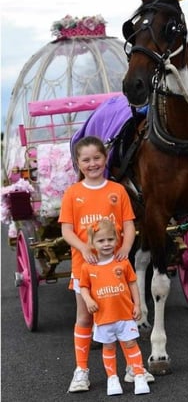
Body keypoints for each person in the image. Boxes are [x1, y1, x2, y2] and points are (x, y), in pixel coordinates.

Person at [59, 135, 152, 393]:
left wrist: (125, 247)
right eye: (86, 160)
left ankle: (134, 368)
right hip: (86, 266)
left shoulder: (117, 190)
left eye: (97, 158)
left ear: (105, 158)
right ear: (78, 163)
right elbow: (67, 231)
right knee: (85, 316)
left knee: (124, 314)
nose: (92, 164)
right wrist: (82, 247)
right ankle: (81, 371)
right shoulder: (73, 193)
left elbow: (130, 225)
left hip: (115, 265)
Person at [80, 219, 150, 395]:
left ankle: (139, 374)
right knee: (109, 346)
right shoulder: (88, 267)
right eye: (101, 241)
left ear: (117, 240)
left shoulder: (123, 263)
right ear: (92, 243)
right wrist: (88, 300)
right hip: (103, 316)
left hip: (125, 314)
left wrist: (138, 304)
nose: (106, 244)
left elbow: (133, 283)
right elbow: (83, 287)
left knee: (130, 342)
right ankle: (112, 379)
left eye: (110, 240)